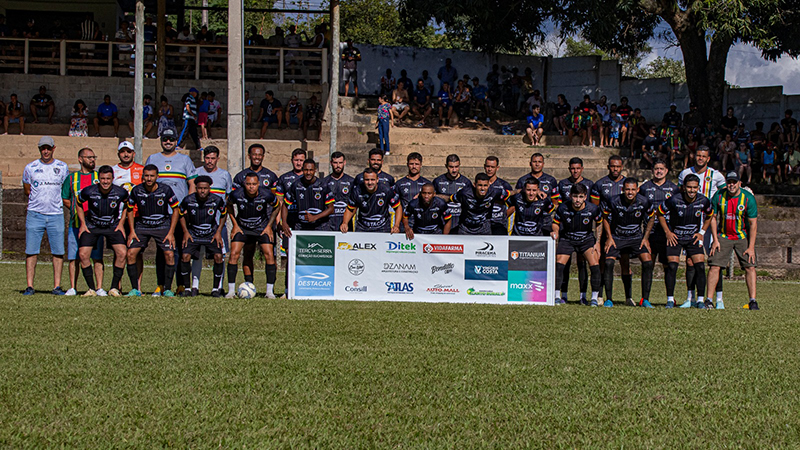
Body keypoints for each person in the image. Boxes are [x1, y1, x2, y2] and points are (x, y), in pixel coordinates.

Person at [145, 128, 196, 296]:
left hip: (180, 213)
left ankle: (182, 285)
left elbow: (192, 184)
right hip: (160, 214)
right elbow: (147, 183)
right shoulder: (153, 158)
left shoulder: (185, 160)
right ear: (161, 140)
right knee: (162, 251)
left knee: (182, 249)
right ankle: (162, 284)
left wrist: (188, 206)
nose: (168, 142)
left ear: (176, 141)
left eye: (171, 139)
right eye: (165, 139)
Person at [677, 146, 726, 307]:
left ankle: (718, 299)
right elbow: (679, 195)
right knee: (691, 262)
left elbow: (723, 195)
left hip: (709, 221)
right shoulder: (685, 173)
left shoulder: (716, 176)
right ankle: (690, 298)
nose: (700, 158)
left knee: (714, 262)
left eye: (703, 156)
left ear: (708, 158)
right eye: (698, 155)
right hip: (690, 223)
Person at [22, 137, 70, 295]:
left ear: (53, 148)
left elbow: (64, 190)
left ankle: (56, 286)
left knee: (57, 251)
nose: (46, 151)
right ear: (39, 149)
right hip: (35, 214)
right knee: (31, 251)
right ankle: (30, 286)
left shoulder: (62, 167)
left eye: (48, 148)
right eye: (43, 148)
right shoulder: (30, 167)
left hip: (56, 214)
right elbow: (27, 190)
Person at [657, 174, 714, 308]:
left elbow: (710, 215)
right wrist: (668, 232)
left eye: (694, 187)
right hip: (675, 237)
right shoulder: (674, 200)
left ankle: (699, 300)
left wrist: (702, 232)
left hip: (692, 238)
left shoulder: (703, 200)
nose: (692, 190)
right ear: (684, 187)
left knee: (700, 266)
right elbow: (659, 213)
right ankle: (670, 299)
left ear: (698, 188)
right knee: (672, 266)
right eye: (689, 187)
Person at [125, 165, 181, 296]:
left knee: (170, 255)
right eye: (146, 176)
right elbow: (129, 209)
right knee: (131, 254)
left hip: (162, 226)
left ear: (157, 177)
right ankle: (135, 289)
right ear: (143, 176)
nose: (149, 179)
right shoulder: (136, 190)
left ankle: (167, 289)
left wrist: (171, 232)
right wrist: (132, 231)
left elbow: (176, 209)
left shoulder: (166, 190)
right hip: (142, 226)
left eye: (152, 176)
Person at [707, 171, 759, 310]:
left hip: (742, 236)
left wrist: (751, 246)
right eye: (729, 182)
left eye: (734, 182)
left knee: (750, 267)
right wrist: (715, 239)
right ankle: (708, 300)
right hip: (723, 236)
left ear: (739, 184)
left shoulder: (748, 198)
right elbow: (712, 217)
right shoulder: (718, 196)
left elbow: (753, 223)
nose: (731, 185)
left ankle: (753, 301)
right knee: (714, 266)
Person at [75, 165, 129, 297]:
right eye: (103, 179)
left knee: (122, 253)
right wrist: (83, 223)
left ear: (112, 178)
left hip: (112, 226)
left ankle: (114, 288)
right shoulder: (89, 191)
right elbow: (78, 202)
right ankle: (91, 289)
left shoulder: (120, 192)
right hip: (92, 226)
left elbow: (128, 205)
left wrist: (121, 223)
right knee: (83, 255)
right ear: (98, 179)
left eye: (108, 179)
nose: (105, 182)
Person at [602, 178, 655, 308]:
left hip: (636, 237)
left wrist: (645, 237)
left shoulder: (644, 201)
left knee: (648, 262)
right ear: (623, 190)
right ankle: (609, 299)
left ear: (637, 190)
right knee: (608, 262)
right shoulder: (613, 201)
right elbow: (605, 218)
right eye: (627, 189)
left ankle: (645, 299)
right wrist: (609, 237)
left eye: (632, 189)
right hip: (617, 237)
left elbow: (652, 217)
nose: (630, 192)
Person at [227, 173, 281, 298]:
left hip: (261, 228)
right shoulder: (236, 194)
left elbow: (277, 206)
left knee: (269, 255)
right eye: (248, 184)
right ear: (244, 184)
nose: (251, 187)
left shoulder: (266, 194)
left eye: (254, 184)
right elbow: (228, 205)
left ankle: (269, 292)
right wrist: (235, 224)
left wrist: (269, 226)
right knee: (234, 254)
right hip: (242, 228)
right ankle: (230, 291)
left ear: (258, 184)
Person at [189, 146, 233, 296]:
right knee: (197, 255)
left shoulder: (224, 175)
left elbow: (227, 199)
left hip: (217, 224)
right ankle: (195, 286)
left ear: (217, 159)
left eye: (213, 158)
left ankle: (218, 287)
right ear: (204, 158)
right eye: (207, 158)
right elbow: (190, 196)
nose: (209, 161)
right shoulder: (196, 173)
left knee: (219, 255)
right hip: (197, 223)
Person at [61, 147, 105, 297]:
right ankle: (73, 287)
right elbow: (65, 198)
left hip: (96, 224)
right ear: (80, 159)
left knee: (97, 256)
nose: (92, 160)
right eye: (89, 157)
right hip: (76, 224)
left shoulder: (99, 178)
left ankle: (99, 288)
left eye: (94, 157)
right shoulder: (72, 179)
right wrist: (76, 209)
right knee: (74, 257)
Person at [551, 183, 604, 306]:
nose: (577, 200)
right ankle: (557, 296)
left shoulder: (593, 209)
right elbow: (555, 223)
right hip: (567, 238)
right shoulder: (563, 208)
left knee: (595, 264)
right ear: (570, 196)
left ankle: (594, 298)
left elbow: (599, 223)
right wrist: (555, 231)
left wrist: (597, 242)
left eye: (581, 197)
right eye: (575, 196)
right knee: (559, 264)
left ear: (585, 197)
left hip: (586, 239)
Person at [178, 175, 227, 297]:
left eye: (205, 188)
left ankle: (216, 289)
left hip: (211, 233)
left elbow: (224, 213)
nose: (202, 191)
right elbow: (180, 214)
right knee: (185, 256)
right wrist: (185, 231)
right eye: (200, 188)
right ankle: (188, 288)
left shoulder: (216, 200)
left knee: (218, 257)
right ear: (196, 188)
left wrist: (218, 231)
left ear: (209, 188)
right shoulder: (188, 200)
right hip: (193, 233)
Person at [555, 158, 594, 304]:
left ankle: (583, 296)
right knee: (564, 264)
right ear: (569, 169)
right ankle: (563, 295)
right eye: (572, 168)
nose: (575, 171)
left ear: (582, 169)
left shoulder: (590, 184)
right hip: (566, 230)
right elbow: (560, 206)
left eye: (578, 168)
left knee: (582, 263)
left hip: (584, 231)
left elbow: (593, 207)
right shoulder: (563, 184)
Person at [639, 159, 679, 300]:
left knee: (669, 265)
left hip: (667, 232)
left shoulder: (673, 188)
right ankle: (645, 299)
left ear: (666, 171)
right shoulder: (644, 188)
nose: (659, 171)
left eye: (662, 169)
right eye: (656, 168)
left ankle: (670, 298)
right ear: (652, 170)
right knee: (648, 264)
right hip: (651, 231)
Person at [591, 155, 626, 302]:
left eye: (618, 166)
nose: (615, 169)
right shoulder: (600, 184)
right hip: (605, 228)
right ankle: (599, 295)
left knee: (625, 262)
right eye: (612, 166)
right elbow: (594, 208)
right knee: (603, 262)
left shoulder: (628, 184)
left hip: (624, 229)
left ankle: (628, 297)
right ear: (608, 167)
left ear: (622, 167)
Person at [281, 159, 335, 235]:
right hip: (301, 226)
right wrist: (284, 222)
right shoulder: (296, 185)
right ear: (302, 170)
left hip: (320, 227)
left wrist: (315, 217)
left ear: (315, 170)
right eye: (306, 170)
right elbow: (285, 205)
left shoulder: (323, 185)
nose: (308, 173)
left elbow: (331, 209)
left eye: (311, 170)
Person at [342, 168, 401, 233]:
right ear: (363, 180)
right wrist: (345, 223)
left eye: (372, 180)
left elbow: (398, 207)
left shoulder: (387, 190)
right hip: (362, 228)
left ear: (377, 180)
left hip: (382, 228)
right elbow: (350, 209)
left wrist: (396, 225)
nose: (370, 183)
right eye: (367, 180)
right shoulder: (357, 191)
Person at [433, 154, 473, 234]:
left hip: (460, 225)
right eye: (451, 167)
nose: (454, 170)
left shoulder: (466, 182)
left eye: (456, 166)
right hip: (442, 223)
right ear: (446, 166)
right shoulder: (438, 181)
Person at [323, 152, 355, 232]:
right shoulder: (324, 182)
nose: (338, 166)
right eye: (335, 163)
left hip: (346, 224)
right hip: (328, 224)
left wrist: (346, 221)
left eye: (340, 163)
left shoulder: (351, 181)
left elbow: (355, 205)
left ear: (344, 163)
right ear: (331, 163)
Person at [483, 156, 513, 235]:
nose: (489, 169)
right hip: (483, 225)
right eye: (488, 166)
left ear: (497, 168)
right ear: (484, 167)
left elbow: (513, 206)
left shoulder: (504, 185)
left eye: (492, 167)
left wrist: (503, 216)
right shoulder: (480, 184)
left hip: (499, 224)